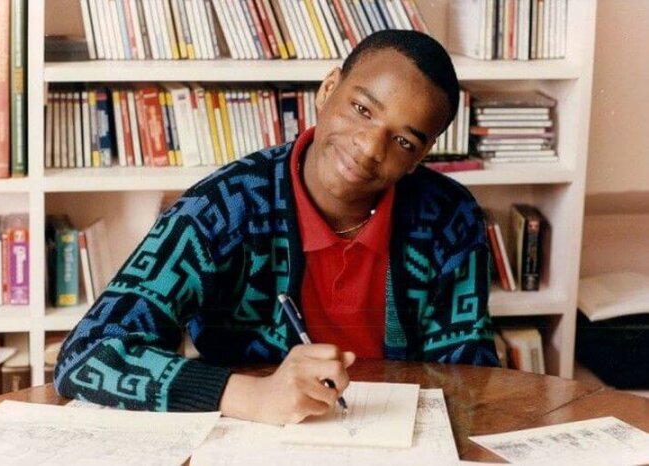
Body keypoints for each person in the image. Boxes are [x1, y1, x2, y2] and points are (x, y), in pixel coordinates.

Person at [54, 30, 499, 424]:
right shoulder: (223, 208)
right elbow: (86, 353)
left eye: (403, 140)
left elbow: (468, 378)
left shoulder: (450, 217)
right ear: (328, 89)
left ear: (420, 156)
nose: (368, 148)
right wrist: (253, 396)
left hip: (398, 440)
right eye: (362, 109)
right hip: (249, 434)